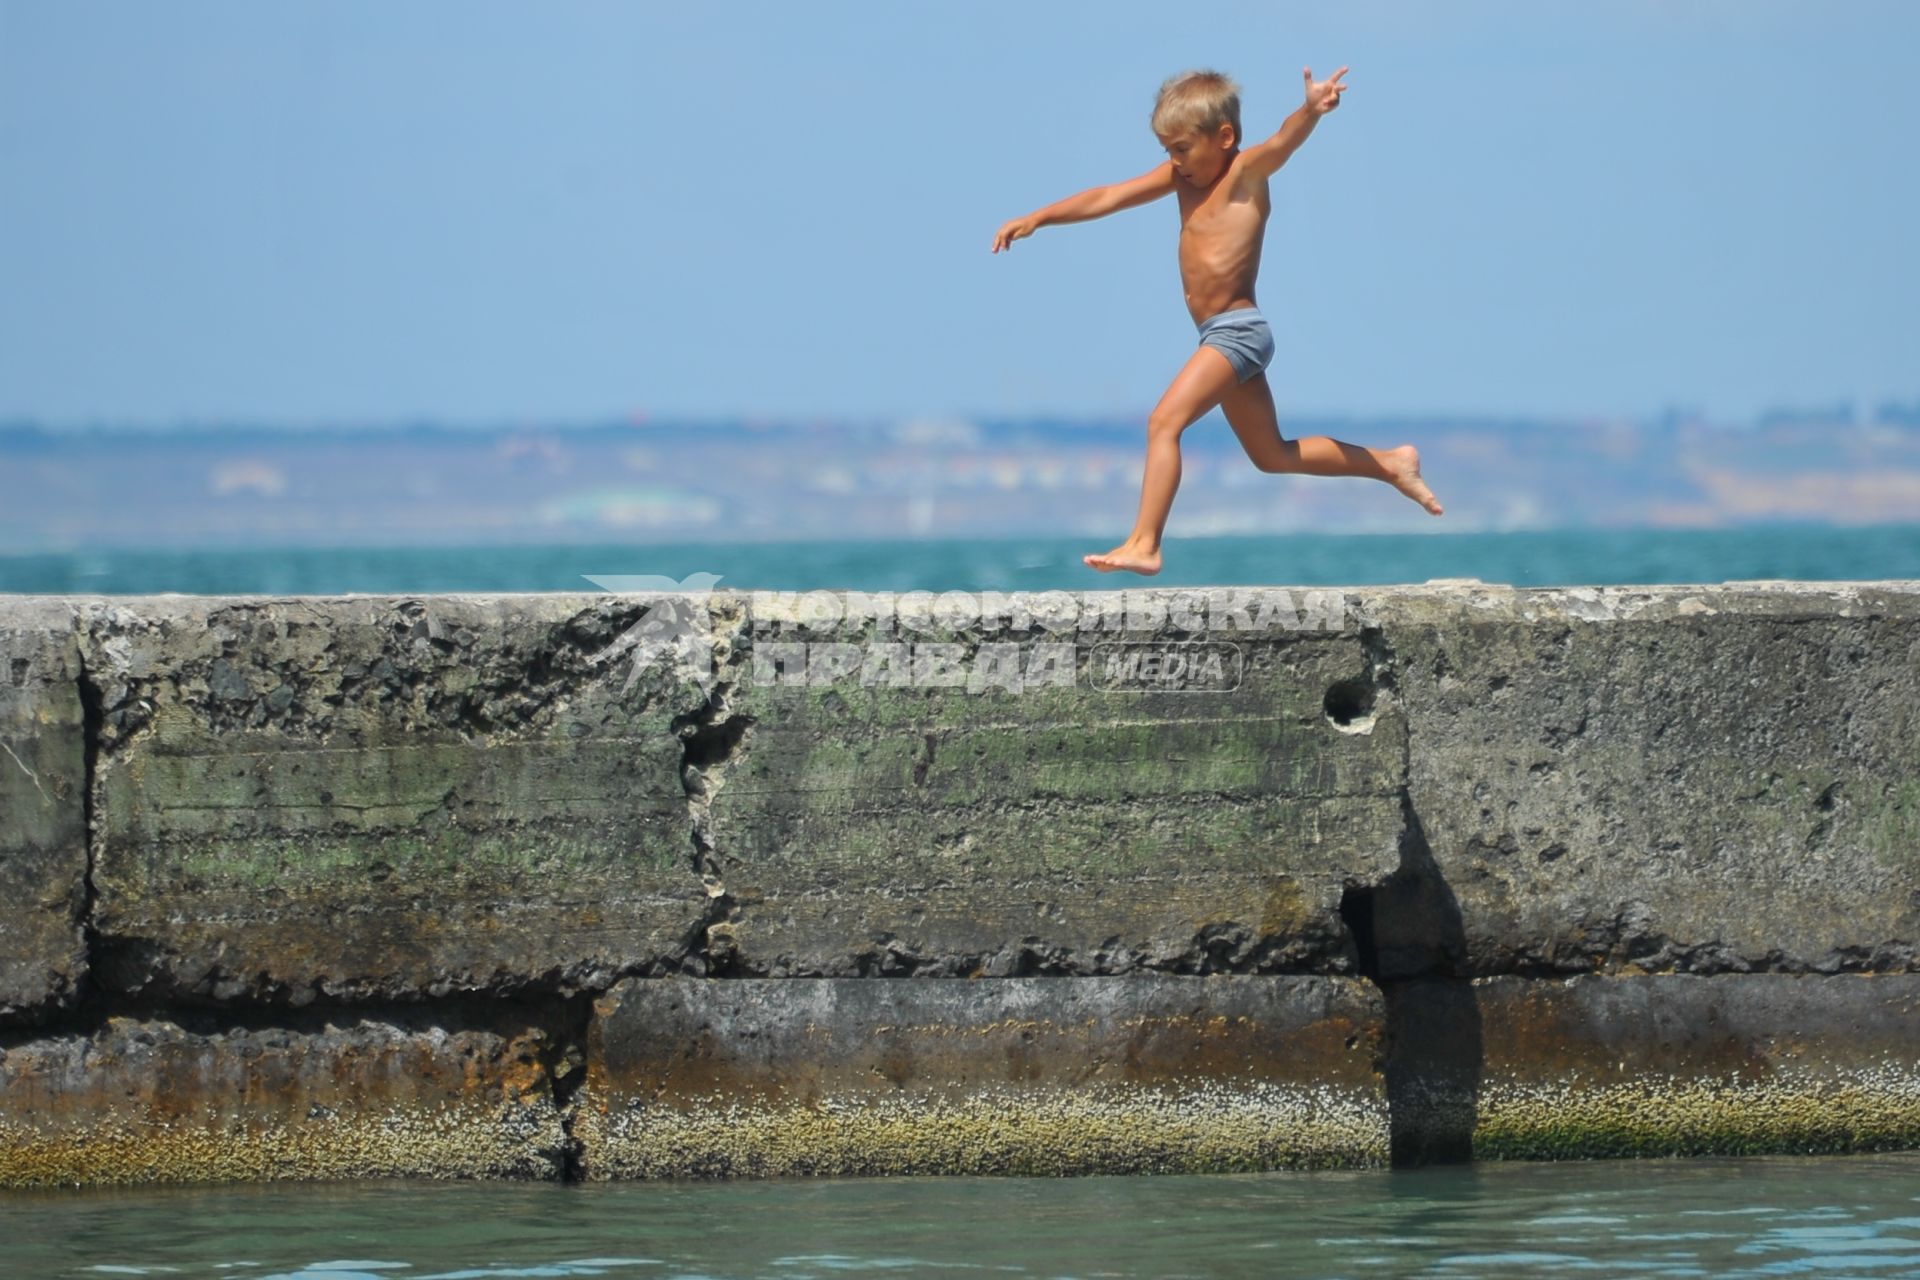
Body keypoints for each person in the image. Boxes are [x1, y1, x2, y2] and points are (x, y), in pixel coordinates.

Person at [993, 66, 1444, 575]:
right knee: (1272, 455)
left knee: (1164, 422)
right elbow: (1107, 196)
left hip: (1239, 333)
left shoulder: (1243, 175)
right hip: (1219, 335)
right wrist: (1039, 217)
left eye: (1182, 148)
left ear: (1224, 137)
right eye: (1167, 150)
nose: (1173, 161)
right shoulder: (1178, 181)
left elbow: (1283, 141)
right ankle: (1389, 464)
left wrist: (1312, 110)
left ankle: (1145, 542)